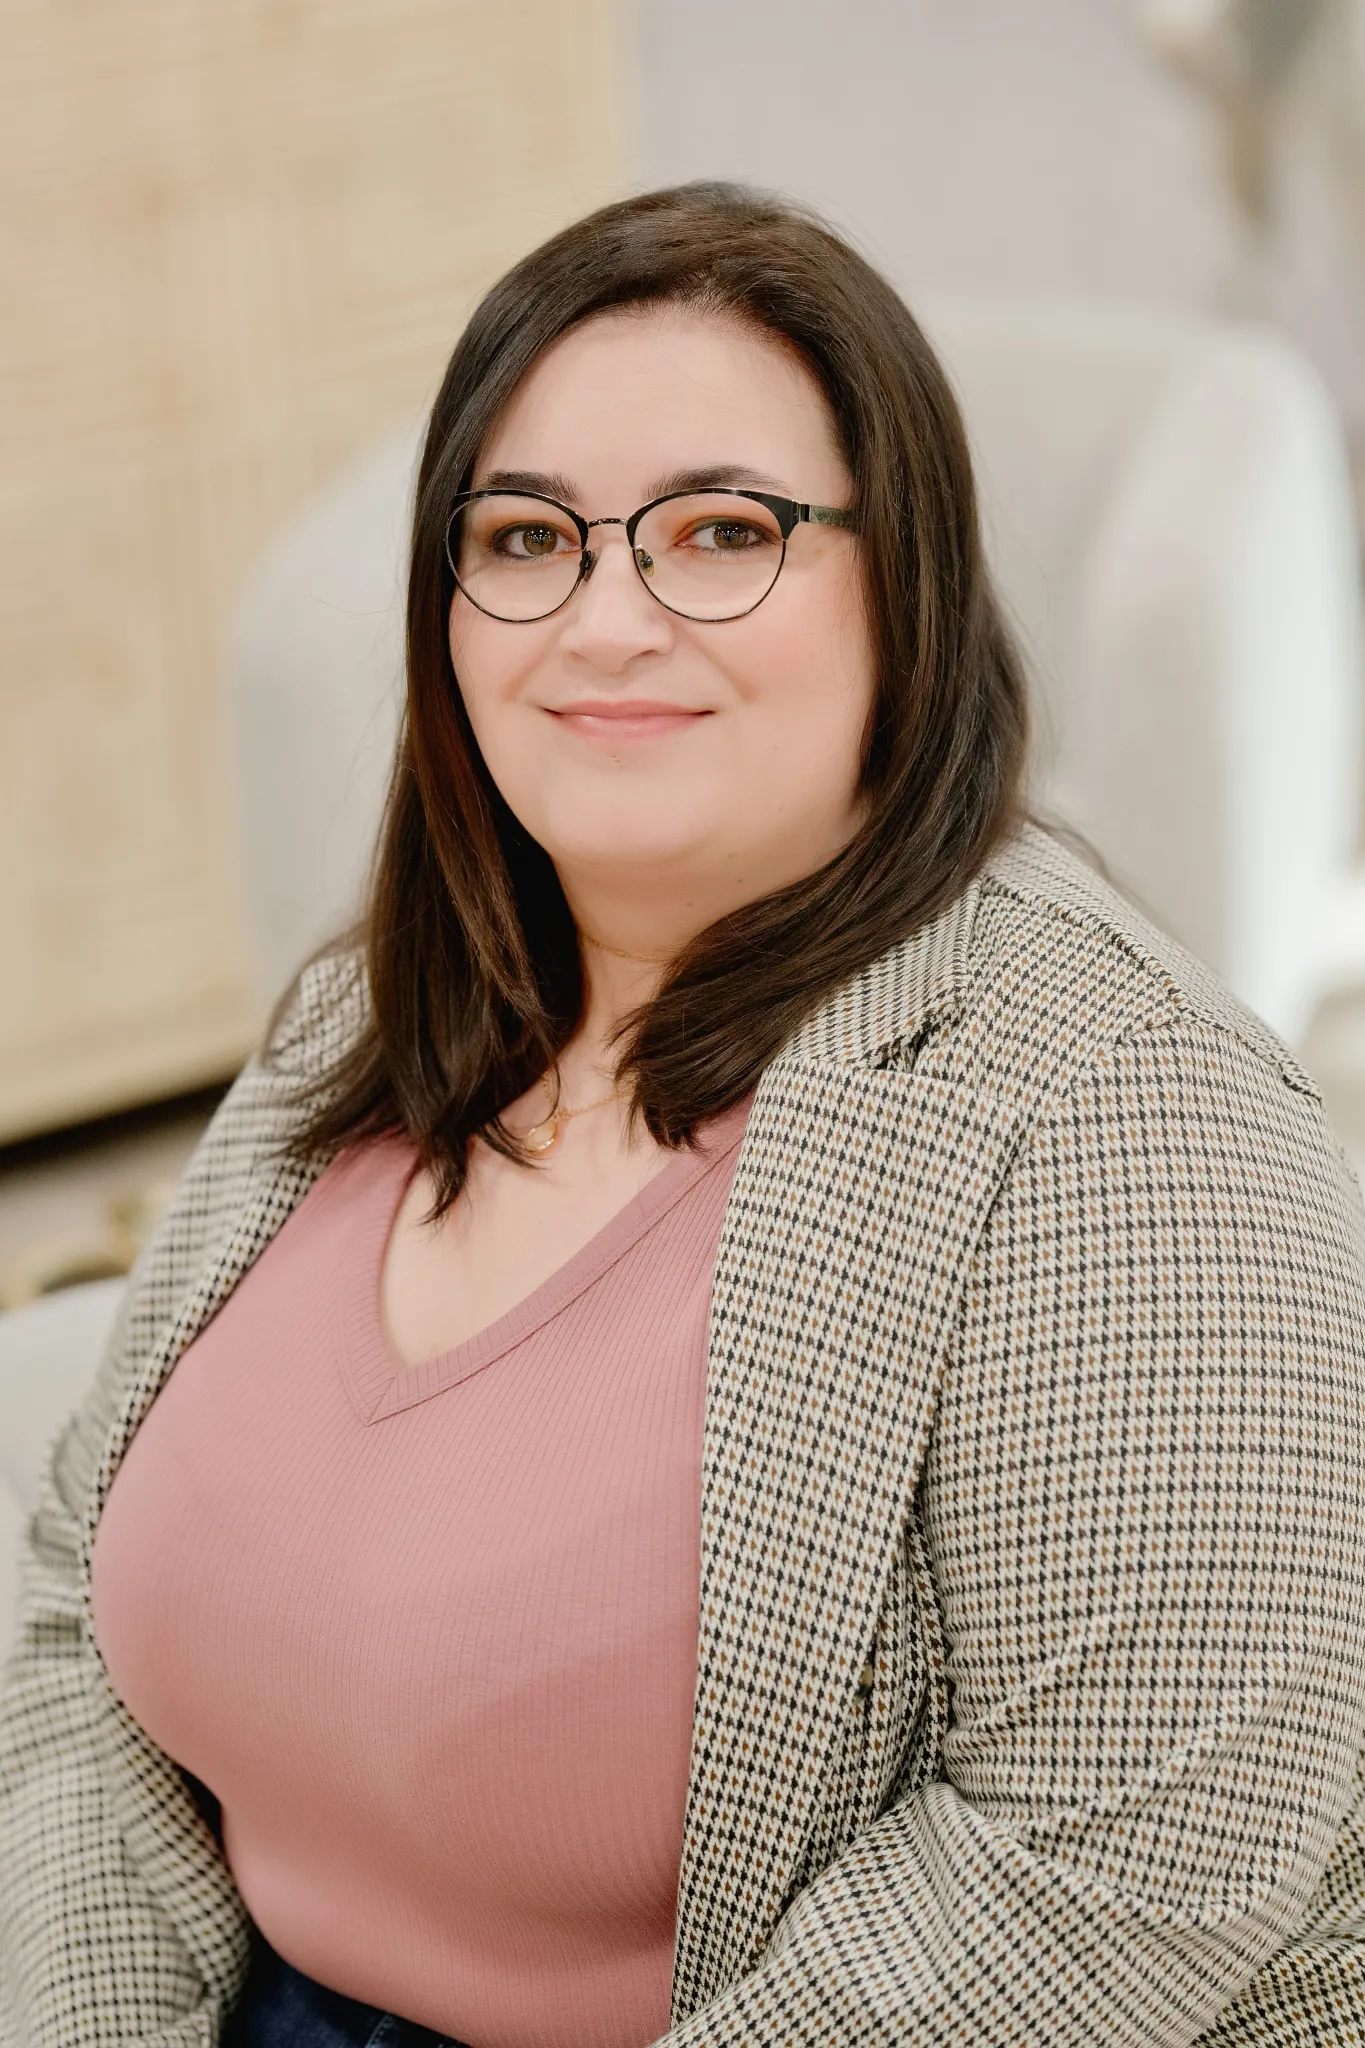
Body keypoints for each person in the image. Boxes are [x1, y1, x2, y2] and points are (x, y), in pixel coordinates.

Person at [3, 182, 1364, 2048]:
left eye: (724, 532)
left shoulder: (1129, 1116)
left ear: (910, 584)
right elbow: (82, 1614)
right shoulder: (375, 1011)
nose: (609, 619)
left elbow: (1126, 1862)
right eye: (529, 536)